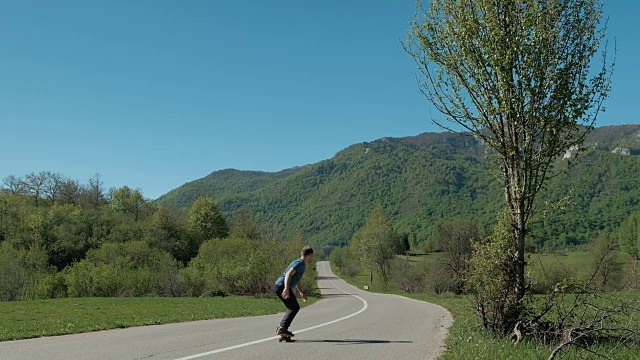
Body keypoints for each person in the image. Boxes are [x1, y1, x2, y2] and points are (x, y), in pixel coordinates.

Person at [273, 246, 314, 336]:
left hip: (279, 286)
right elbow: (288, 274)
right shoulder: (300, 263)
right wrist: (286, 288)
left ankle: (282, 327)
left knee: (293, 307)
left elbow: (297, 279)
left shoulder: (298, 262)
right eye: (312, 256)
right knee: (294, 307)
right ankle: (282, 328)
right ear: (309, 255)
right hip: (281, 286)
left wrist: (301, 292)